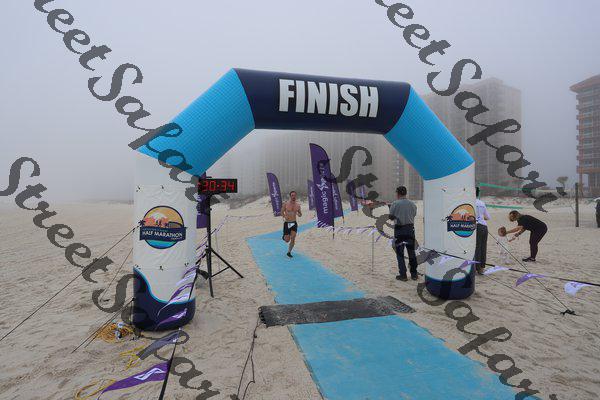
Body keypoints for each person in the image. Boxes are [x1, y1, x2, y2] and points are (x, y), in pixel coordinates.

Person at [388, 186, 418, 281]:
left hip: (399, 230)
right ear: (405, 193)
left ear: (398, 193)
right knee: (411, 252)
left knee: (400, 253)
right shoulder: (412, 204)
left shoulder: (395, 203)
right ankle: (414, 274)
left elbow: (391, 217)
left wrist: (390, 208)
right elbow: (414, 214)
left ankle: (403, 275)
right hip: (410, 229)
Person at [474, 187, 490, 274]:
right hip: (484, 226)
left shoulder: (470, 202)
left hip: (476, 226)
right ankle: (481, 268)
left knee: (477, 247)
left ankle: (476, 267)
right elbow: (488, 217)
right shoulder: (482, 203)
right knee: (483, 247)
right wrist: (481, 217)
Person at [282, 191, 302, 258]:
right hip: (287, 223)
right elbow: (281, 212)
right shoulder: (286, 204)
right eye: (292, 195)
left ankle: (289, 252)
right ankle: (284, 237)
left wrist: (299, 214)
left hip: (294, 223)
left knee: (293, 238)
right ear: (290, 196)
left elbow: (300, 214)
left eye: (294, 195)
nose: (293, 197)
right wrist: (284, 216)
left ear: (296, 196)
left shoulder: (298, 205)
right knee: (287, 240)